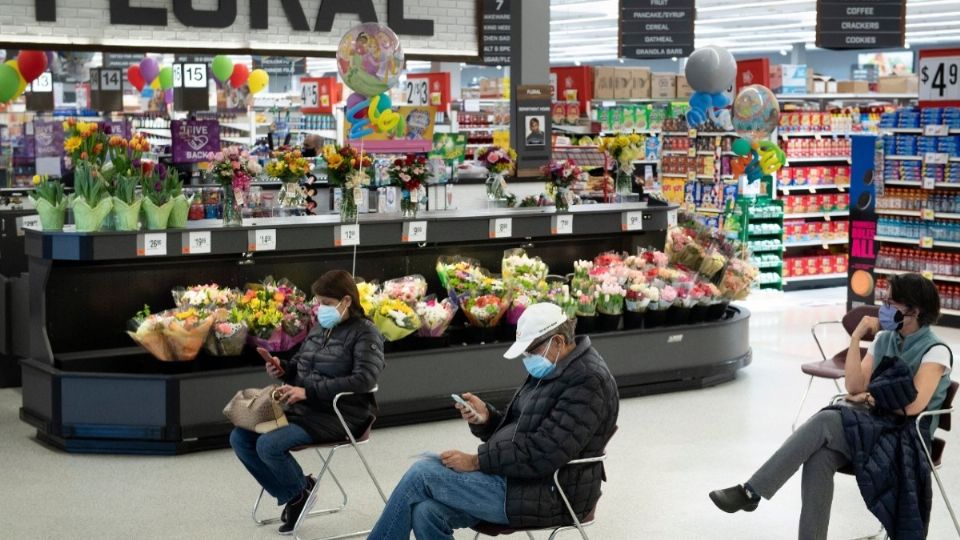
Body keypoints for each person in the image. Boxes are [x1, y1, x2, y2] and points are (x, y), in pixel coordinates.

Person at [709, 273, 953, 540]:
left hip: (907, 438)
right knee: (819, 458)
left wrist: (872, 398)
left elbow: (914, 405)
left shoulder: (935, 350)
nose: (884, 308)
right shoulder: (885, 339)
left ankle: (751, 491)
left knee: (827, 421)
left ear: (914, 310)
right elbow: (854, 387)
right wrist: (857, 337)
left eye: (891, 303)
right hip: (875, 427)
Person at [368, 303, 619, 539]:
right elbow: (521, 430)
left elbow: (544, 452)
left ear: (559, 341)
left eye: (531, 350)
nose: (528, 358)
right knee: (426, 512)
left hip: (554, 492)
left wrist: (477, 461)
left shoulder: (588, 381)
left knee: (422, 473)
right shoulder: (556, 368)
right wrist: (486, 418)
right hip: (522, 478)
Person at [230, 269, 385, 535]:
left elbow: (364, 378)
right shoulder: (319, 329)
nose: (319, 308)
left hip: (342, 415)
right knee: (240, 437)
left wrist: (309, 392)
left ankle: (298, 494)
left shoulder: (366, 333)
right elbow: (303, 366)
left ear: (346, 301)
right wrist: (283, 369)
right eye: (318, 302)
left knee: (268, 444)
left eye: (325, 303)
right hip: (303, 408)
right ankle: (297, 492)